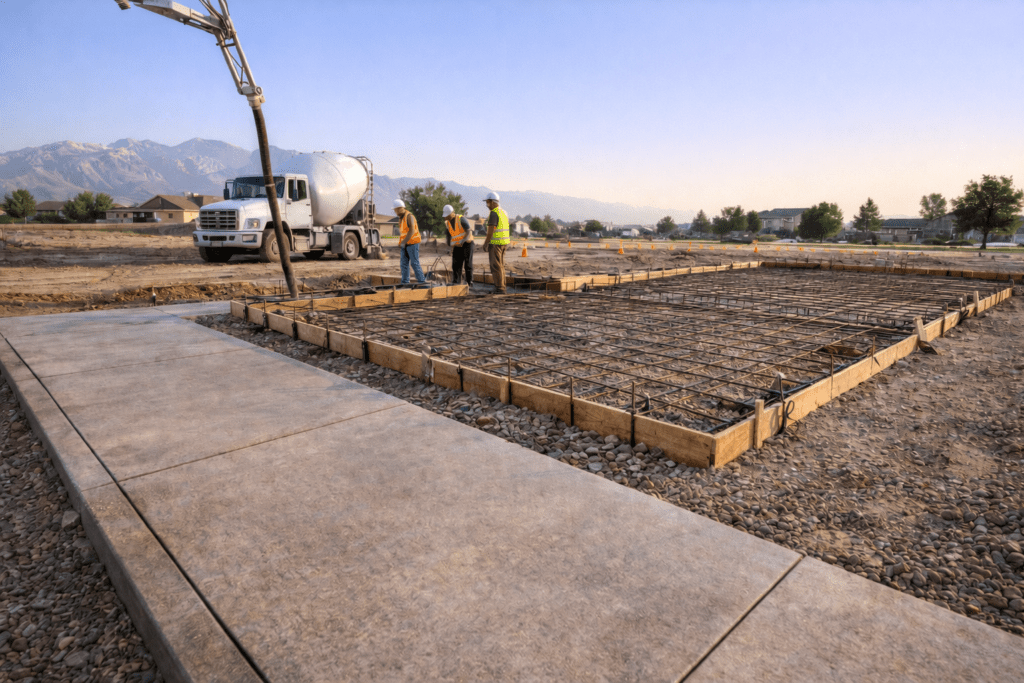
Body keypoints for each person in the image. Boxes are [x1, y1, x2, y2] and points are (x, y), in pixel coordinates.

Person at [483, 191, 509, 294]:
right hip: (503, 242)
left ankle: (500, 288)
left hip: (496, 244)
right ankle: (502, 286)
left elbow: (490, 231)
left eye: (488, 202)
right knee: (500, 265)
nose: (487, 205)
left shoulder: (494, 213)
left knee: (495, 266)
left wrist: (486, 243)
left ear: (493, 202)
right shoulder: (503, 212)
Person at [394, 198, 425, 284]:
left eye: (396, 210)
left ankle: (422, 281)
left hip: (413, 243)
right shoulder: (401, 218)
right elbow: (403, 233)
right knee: (403, 264)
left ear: (400, 208)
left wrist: (403, 242)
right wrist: (401, 242)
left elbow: (411, 231)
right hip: (405, 244)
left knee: (414, 263)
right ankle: (405, 282)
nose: (395, 212)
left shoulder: (409, 216)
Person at [443, 204, 474, 286]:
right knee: (456, 264)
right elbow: (449, 236)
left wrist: (463, 241)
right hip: (457, 245)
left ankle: (469, 282)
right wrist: (450, 248)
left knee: (468, 264)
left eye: (448, 216)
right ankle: (456, 281)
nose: (446, 217)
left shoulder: (461, 219)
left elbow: (469, 231)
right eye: (446, 216)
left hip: (467, 244)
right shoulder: (447, 223)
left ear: (452, 213)